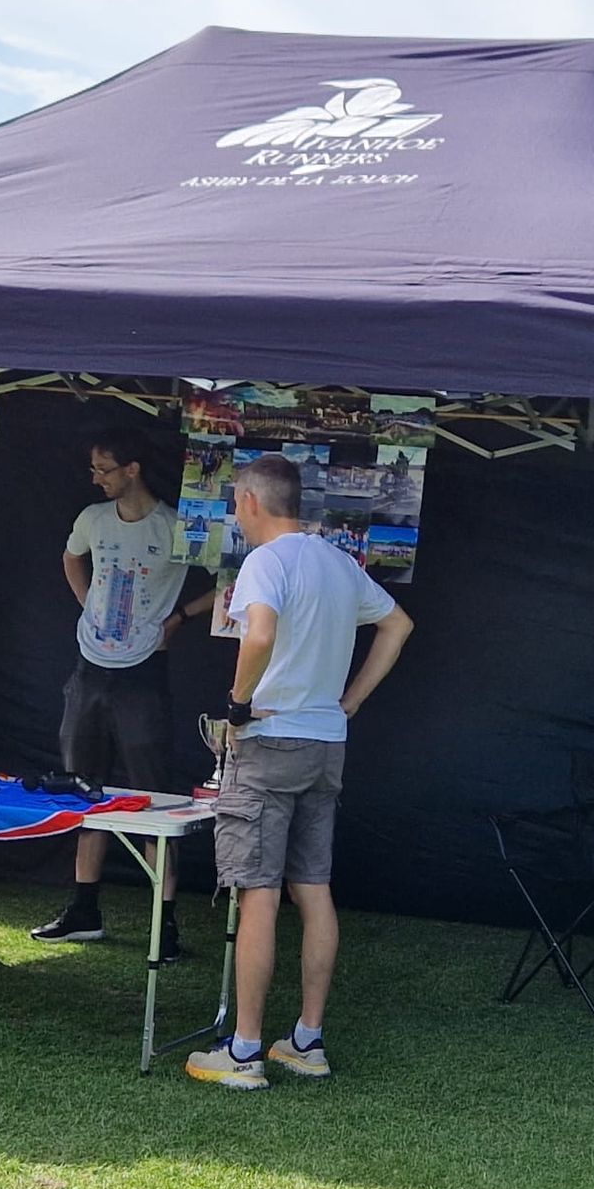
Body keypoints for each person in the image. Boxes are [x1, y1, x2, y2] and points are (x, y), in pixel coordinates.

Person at [185, 454, 413, 1091]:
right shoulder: (339, 562)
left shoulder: (266, 562)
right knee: (313, 886)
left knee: (257, 890)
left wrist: (235, 706)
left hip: (269, 738)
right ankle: (306, 1040)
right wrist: (353, 701)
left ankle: (246, 1050)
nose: (235, 512)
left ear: (252, 502)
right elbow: (398, 625)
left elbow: (257, 636)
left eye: (235, 502)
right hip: (325, 741)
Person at [31, 429, 212, 959]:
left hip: (143, 673)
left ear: (132, 469)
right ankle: (84, 909)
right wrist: (87, 604)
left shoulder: (175, 525)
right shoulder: (92, 518)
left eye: (104, 469)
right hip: (89, 667)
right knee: (84, 788)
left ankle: (166, 922)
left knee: (151, 796)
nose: (96, 478)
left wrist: (180, 617)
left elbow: (230, 578)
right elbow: (71, 558)